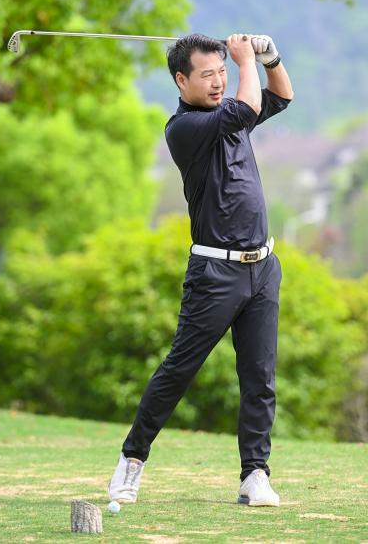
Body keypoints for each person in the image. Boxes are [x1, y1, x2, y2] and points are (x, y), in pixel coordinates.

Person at [108, 32, 294, 507]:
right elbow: (247, 107)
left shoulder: (229, 116)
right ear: (181, 80)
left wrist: (269, 57)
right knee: (179, 370)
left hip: (262, 268)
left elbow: (280, 96)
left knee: (260, 377)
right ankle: (132, 460)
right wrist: (245, 60)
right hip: (215, 273)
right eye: (207, 74)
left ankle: (255, 475)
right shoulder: (184, 128)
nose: (218, 82)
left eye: (222, 73)